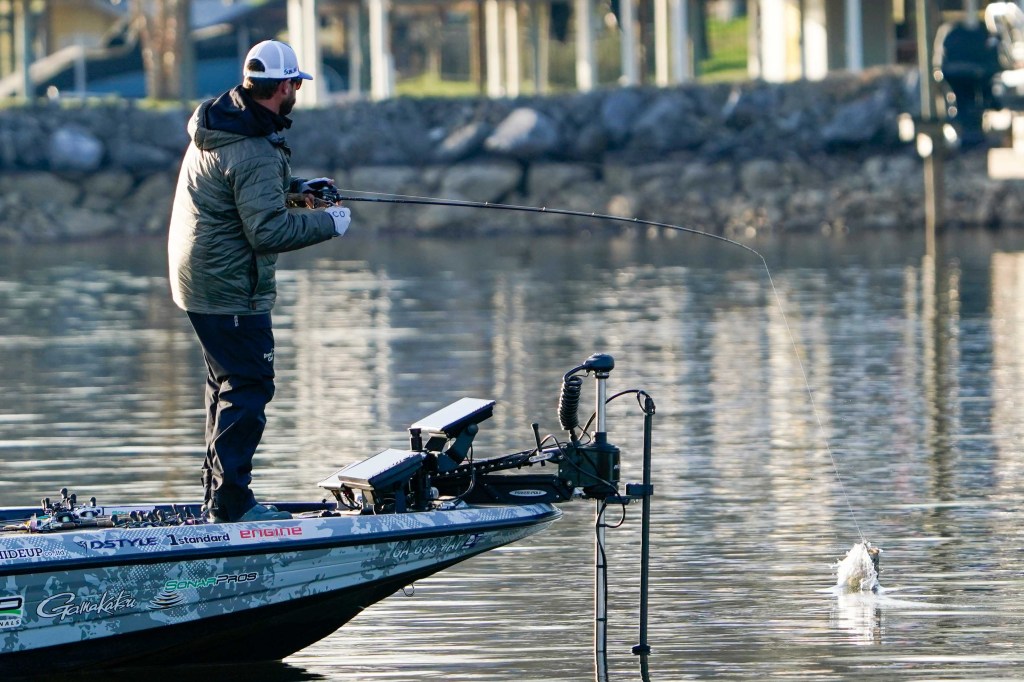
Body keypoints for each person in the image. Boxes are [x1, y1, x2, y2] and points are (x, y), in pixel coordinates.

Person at [167, 39, 352, 523]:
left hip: (200, 282)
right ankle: (231, 504)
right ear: (285, 86)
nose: (297, 93)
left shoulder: (225, 123)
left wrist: (296, 190)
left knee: (225, 386)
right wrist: (330, 223)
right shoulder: (252, 148)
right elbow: (267, 231)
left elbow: (242, 191)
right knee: (248, 387)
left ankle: (219, 497)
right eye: (296, 85)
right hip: (229, 288)